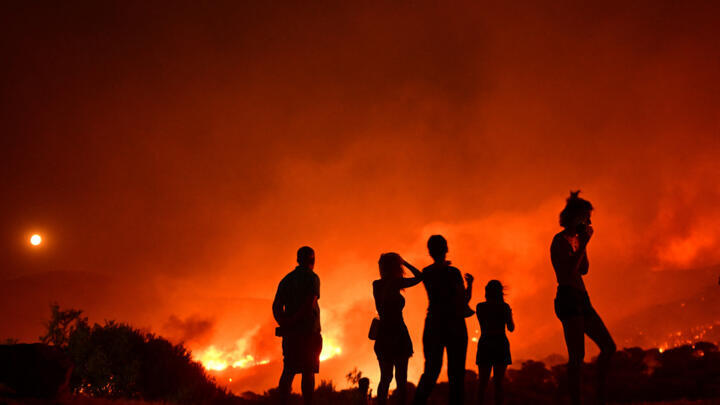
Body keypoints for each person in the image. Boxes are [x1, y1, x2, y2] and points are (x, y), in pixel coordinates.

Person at [551, 191, 616, 405]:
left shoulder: (575, 240)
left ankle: (600, 395)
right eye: (586, 217)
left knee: (608, 346)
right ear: (574, 217)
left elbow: (584, 269)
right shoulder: (559, 241)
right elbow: (569, 273)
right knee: (577, 356)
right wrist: (584, 244)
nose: (588, 221)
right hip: (568, 297)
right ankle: (576, 400)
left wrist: (582, 243)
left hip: (581, 296)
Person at [412, 235, 474, 405]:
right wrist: (470, 286)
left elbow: (430, 274)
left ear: (430, 252)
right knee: (456, 374)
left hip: (434, 323)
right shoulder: (453, 273)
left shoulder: (427, 272)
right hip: (455, 324)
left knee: (431, 370)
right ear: (446, 249)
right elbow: (463, 300)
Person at [273, 246, 322, 405]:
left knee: (288, 371)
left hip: (290, 335)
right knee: (308, 372)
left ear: (297, 260)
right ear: (312, 260)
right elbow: (310, 303)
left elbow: (276, 306)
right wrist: (295, 320)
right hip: (309, 333)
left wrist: (284, 322)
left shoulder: (286, 280)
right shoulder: (312, 278)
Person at [372, 253, 423, 405]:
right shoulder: (396, 283)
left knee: (385, 378)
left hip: (384, 335)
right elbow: (420, 277)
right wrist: (405, 262)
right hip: (398, 334)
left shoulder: (377, 284)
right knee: (401, 380)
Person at [475, 280, 514, 405]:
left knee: (482, 383)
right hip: (500, 343)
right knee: (499, 384)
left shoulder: (480, 307)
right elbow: (511, 328)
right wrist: (509, 314)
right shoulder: (504, 307)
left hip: (485, 342)